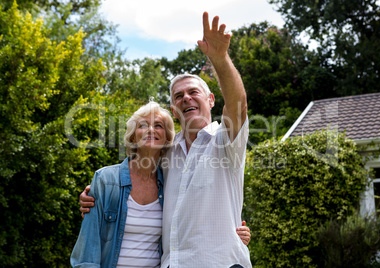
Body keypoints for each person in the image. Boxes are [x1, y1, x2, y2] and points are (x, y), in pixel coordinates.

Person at [80, 11, 252, 267]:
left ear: (211, 100)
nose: (186, 98)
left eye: (194, 92)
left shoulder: (226, 141)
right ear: (174, 109)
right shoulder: (167, 151)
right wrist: (95, 195)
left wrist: (219, 58)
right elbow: (134, 177)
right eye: (178, 96)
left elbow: (238, 105)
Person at [71, 101, 175, 267]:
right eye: (143, 125)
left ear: (167, 138)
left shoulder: (171, 184)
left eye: (158, 125)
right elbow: (87, 250)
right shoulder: (105, 180)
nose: (151, 130)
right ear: (133, 136)